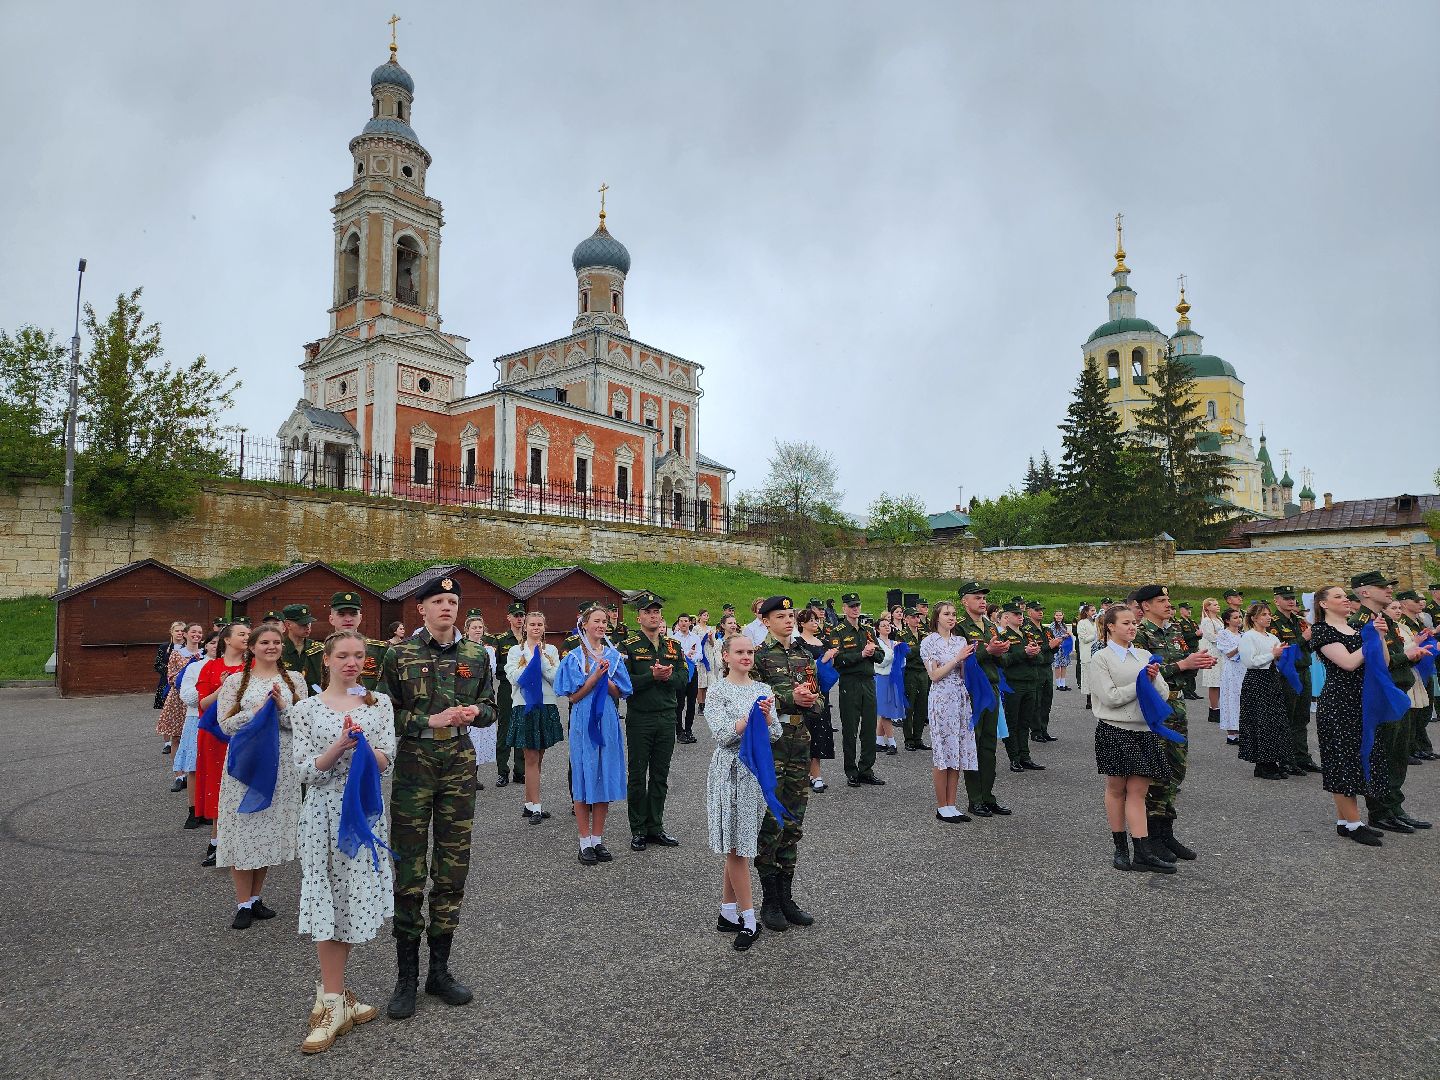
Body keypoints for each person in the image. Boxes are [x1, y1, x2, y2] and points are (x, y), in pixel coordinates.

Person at [381, 575, 496, 1021]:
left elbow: (491, 707)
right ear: (421, 609)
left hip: (458, 764)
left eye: (453, 601)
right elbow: (385, 712)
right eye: (439, 601)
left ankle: (439, 971)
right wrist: (428, 717)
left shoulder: (475, 654)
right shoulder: (400, 654)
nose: (447, 607)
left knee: (452, 867)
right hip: (415, 763)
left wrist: (474, 713)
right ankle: (405, 977)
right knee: (409, 869)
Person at [289, 630, 397, 1053]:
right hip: (323, 814)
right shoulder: (306, 709)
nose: (351, 662)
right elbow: (306, 771)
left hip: (365, 813)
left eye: (358, 656)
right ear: (327, 661)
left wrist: (366, 747)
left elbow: (387, 760)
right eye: (343, 656)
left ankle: (332, 994)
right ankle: (334, 1000)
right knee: (327, 898)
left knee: (351, 898)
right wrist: (338, 746)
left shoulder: (378, 703)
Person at [216, 624, 308, 929]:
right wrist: (253, 711)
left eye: (277, 642)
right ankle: (242, 902)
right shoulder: (234, 682)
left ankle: (256, 898)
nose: (272, 646)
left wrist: (283, 706)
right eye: (265, 642)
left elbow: (302, 724)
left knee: (268, 831)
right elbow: (225, 726)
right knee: (245, 830)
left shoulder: (294, 680)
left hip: (281, 765)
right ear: (252, 647)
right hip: (247, 765)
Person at [705, 633, 782, 951]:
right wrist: (746, 720)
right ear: (726, 656)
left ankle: (727, 912)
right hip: (729, 772)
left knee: (739, 842)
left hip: (754, 776)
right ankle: (749, 920)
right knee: (736, 848)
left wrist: (765, 717)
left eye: (750, 652)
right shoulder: (717, 689)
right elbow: (722, 735)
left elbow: (775, 733)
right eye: (739, 652)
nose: (746, 657)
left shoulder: (763, 689)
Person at [1089, 604, 1176, 873]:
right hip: (1115, 729)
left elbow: (1161, 693)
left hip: (1143, 731)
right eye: (1125, 623)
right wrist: (1139, 682)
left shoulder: (1143, 654)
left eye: (1133, 623)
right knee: (1116, 789)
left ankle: (1142, 851)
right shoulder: (1101, 658)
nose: (1131, 627)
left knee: (1138, 791)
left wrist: (1150, 678)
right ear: (1110, 626)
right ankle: (1120, 848)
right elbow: (1110, 697)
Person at [750, 596, 819, 933]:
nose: (789, 620)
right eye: (781, 616)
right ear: (765, 621)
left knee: (793, 820)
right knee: (770, 820)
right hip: (772, 746)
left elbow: (818, 698)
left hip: (800, 741)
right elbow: (751, 699)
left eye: (791, 615)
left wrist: (810, 699)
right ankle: (770, 900)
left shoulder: (805, 655)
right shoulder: (758, 657)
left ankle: (787, 896)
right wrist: (791, 697)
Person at [1133, 584, 1216, 861]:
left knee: (1175, 770)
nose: (1168, 604)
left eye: (1168, 599)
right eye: (1161, 600)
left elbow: (1181, 665)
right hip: (1156, 708)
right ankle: (1152, 837)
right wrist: (1183, 665)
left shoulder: (1175, 631)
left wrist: (1198, 662)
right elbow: (1142, 675)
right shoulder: (1139, 634)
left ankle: (1166, 833)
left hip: (1177, 704)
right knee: (1156, 771)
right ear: (1145, 606)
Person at [1350, 571, 1430, 833]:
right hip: (1382, 696)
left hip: (1398, 693)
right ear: (1364, 592)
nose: (1388, 590)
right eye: (1381, 587)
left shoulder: (1384, 619)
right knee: (1381, 756)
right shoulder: (1361, 621)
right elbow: (1373, 662)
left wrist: (1408, 655)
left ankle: (1395, 807)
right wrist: (1406, 656)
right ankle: (1380, 811)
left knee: (1397, 756)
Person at [1309, 586, 1386, 847]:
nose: (1345, 600)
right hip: (1338, 702)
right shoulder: (1322, 631)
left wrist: (1380, 638)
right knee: (1341, 759)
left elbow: (1382, 662)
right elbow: (1348, 663)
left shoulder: (1356, 629)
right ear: (1323, 604)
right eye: (1338, 596)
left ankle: (1345, 821)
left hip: (1359, 701)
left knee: (1355, 757)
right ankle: (1354, 824)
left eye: (1345, 596)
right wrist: (1371, 640)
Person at [556, 605, 631, 864]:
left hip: (608, 719)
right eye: (596, 621)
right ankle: (584, 841)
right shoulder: (575, 658)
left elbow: (620, 692)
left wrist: (606, 678)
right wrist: (593, 677)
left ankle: (598, 839)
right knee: (584, 772)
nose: (601, 625)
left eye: (604, 621)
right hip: (584, 718)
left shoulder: (614, 656)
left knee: (604, 774)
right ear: (584, 624)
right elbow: (574, 696)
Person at [616, 592, 688, 850]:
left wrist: (667, 677)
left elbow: (684, 680)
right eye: (648, 612)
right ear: (639, 617)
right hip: (641, 718)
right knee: (637, 774)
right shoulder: (628, 646)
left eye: (656, 612)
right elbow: (624, 685)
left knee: (660, 775)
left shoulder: (673, 646)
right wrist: (651, 677)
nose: (654, 615)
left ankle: (655, 826)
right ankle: (638, 828)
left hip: (667, 717)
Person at [955, 582, 1011, 819]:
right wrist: (986, 652)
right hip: (972, 691)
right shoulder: (960, 628)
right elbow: (961, 660)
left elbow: (1004, 663)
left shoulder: (991, 626)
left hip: (992, 688)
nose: (982, 601)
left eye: (983, 597)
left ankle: (988, 796)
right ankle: (974, 798)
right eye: (976, 597)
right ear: (964, 601)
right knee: (974, 744)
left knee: (989, 744)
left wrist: (1000, 652)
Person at [195, 623, 249, 866]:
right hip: (215, 735)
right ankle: (216, 841)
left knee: (242, 784)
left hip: (243, 733)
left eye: (249, 634)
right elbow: (204, 703)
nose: (247, 637)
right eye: (242, 634)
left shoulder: (253, 667)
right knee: (217, 784)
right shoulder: (211, 667)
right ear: (226, 639)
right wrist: (224, 687)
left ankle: (243, 840)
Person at [504, 611, 563, 824]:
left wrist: (542, 661)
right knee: (530, 757)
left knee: (539, 756)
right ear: (525, 627)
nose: (536, 628)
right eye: (532, 624)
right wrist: (532, 660)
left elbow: (556, 677)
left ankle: (529, 804)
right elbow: (516, 678)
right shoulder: (514, 651)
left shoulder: (551, 650)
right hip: (524, 705)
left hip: (546, 704)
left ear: (544, 627)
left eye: (540, 624)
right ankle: (537, 807)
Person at [921, 601, 976, 823]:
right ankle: (941, 805)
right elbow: (934, 675)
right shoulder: (929, 642)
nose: (951, 618)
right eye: (946, 614)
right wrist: (957, 659)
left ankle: (952, 803)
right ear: (937, 618)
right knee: (943, 751)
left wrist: (969, 661)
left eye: (953, 614)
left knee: (957, 750)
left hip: (960, 697)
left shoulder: (960, 640)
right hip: (941, 698)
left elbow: (964, 672)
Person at [829, 592, 884, 788]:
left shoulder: (868, 630)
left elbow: (881, 655)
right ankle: (851, 770)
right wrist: (861, 654)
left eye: (857, 605)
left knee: (869, 728)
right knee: (850, 729)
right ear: (844, 609)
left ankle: (866, 769)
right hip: (849, 683)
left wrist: (872, 652)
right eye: (851, 606)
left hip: (868, 682)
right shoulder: (838, 631)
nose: (855, 609)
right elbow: (838, 660)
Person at [1238, 602, 1291, 780]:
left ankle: (1274, 759)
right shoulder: (1248, 636)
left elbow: (1275, 661)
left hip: (1271, 679)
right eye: (1264, 615)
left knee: (1275, 720)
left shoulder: (1271, 637)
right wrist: (1273, 654)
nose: (1268, 617)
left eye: (1269, 614)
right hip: (1256, 681)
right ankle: (1263, 763)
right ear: (1254, 618)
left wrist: (1280, 655)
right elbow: (1249, 661)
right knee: (1260, 721)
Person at [1271, 585, 1320, 774]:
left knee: (1302, 717)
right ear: (1277, 600)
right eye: (1286, 598)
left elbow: (1309, 646)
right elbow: (1282, 650)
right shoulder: (1273, 622)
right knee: (1286, 717)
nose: (1291, 601)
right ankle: (1285, 759)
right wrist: (1303, 637)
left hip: (1304, 670)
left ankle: (1302, 757)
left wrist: (1312, 639)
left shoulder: (1299, 621)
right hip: (1287, 673)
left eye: (1292, 598)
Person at [175, 629, 217, 825]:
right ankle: (193, 809)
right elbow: (187, 696)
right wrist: (210, 692)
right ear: (206, 645)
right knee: (194, 766)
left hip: (222, 719)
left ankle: (212, 808)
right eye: (212, 643)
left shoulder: (232, 667)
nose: (216, 646)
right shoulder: (195, 667)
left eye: (220, 643)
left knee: (215, 766)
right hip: (196, 718)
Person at [794, 608, 836, 791]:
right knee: (804, 733)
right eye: (810, 620)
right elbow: (800, 666)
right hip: (805, 690)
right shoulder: (798, 643)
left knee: (819, 733)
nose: (815, 623)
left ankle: (816, 774)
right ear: (801, 623)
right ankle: (804, 773)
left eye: (816, 620)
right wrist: (822, 661)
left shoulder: (824, 642)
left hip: (821, 692)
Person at [488, 602, 528, 789]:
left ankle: (520, 770)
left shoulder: (530, 638)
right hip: (507, 687)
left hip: (526, 689)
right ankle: (502, 771)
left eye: (522, 615)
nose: (520, 618)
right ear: (509, 618)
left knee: (522, 727)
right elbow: (495, 667)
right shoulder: (502, 640)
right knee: (505, 728)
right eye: (516, 615)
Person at [1395, 589, 1436, 763]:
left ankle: (1420, 746)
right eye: (1415, 600)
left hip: (1422, 667)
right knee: (1413, 711)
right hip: (1412, 667)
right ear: (1405, 603)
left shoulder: (1415, 621)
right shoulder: (1402, 622)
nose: (1420, 602)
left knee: (1423, 709)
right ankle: (1412, 747)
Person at [156, 623, 199, 771]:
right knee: (177, 736)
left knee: (197, 738)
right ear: (186, 635)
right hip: (178, 698)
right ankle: (179, 774)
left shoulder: (205, 654)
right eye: (193, 632)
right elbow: (171, 677)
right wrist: (187, 677)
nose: (196, 635)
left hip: (199, 698)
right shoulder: (175, 653)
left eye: (199, 632)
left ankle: (193, 771)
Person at [462, 615, 498, 781]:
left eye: (480, 627)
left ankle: (474, 775)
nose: (477, 630)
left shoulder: (489, 650)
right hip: (467, 695)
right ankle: (467, 775)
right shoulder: (461, 649)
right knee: (469, 736)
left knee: (480, 736)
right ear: (467, 630)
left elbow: (492, 674)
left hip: (483, 695)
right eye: (474, 627)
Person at [896, 606, 930, 752]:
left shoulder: (924, 634)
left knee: (922, 707)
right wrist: (920, 649)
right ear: (906, 619)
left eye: (918, 617)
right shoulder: (902, 635)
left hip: (923, 672)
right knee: (909, 707)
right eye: (913, 617)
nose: (917, 619)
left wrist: (917, 649)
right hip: (910, 673)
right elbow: (906, 654)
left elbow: (930, 651)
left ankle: (918, 738)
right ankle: (908, 739)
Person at [871, 614, 905, 757]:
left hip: (893, 678)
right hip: (882, 677)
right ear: (877, 629)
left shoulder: (893, 642)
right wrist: (894, 654)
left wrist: (901, 653)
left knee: (887, 709)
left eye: (888, 625)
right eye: (883, 625)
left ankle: (878, 741)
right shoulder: (876, 643)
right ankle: (892, 742)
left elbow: (902, 663)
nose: (887, 627)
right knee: (886, 712)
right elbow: (880, 662)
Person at [670, 613, 704, 744]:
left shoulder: (695, 637)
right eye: (681, 621)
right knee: (679, 703)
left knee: (691, 702)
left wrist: (692, 657)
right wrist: (684, 655)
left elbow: (700, 654)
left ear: (690, 623)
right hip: (679, 671)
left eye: (686, 621)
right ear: (678, 623)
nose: (683, 623)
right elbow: (673, 655)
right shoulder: (673, 639)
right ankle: (679, 731)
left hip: (692, 670)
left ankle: (688, 729)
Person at [281, 604, 326, 693]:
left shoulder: (318, 649)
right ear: (288, 624)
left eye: (309, 623)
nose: (308, 627)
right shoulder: (279, 650)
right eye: (302, 624)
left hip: (316, 699)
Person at [1216, 609, 1245, 745]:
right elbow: (1229, 654)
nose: (1238, 620)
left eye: (1239, 617)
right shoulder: (1223, 634)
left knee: (1243, 698)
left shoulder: (1243, 634)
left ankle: (1243, 730)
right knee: (1232, 698)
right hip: (1232, 670)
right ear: (1227, 620)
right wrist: (1241, 647)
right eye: (1235, 618)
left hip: (1244, 669)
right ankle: (1232, 733)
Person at [1198, 598, 1225, 724]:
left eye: (1218, 604)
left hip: (1221, 653)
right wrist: (1226, 640)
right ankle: (1214, 710)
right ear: (1207, 607)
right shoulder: (1206, 621)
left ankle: (1219, 707)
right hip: (1212, 652)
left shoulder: (1218, 620)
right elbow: (1211, 636)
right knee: (1214, 683)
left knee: (1220, 682)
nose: (1217, 606)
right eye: (1214, 604)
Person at [154, 620, 186, 719]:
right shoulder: (163, 647)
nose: (180, 633)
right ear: (171, 632)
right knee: (167, 715)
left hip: (185, 683)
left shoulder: (190, 647)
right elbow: (157, 665)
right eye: (177, 631)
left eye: (182, 631)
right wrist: (171, 672)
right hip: (166, 684)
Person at [1173, 602, 1203, 700]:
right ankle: (1186, 691)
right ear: (1181, 610)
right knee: (1188, 672)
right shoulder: (1179, 623)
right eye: (1186, 609)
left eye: (1189, 609)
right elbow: (1181, 637)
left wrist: (1199, 635)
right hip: (1187, 649)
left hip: (1195, 648)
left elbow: (1199, 635)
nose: (1189, 611)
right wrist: (1195, 634)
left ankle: (1191, 690)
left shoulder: (1193, 622)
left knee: (1194, 672)